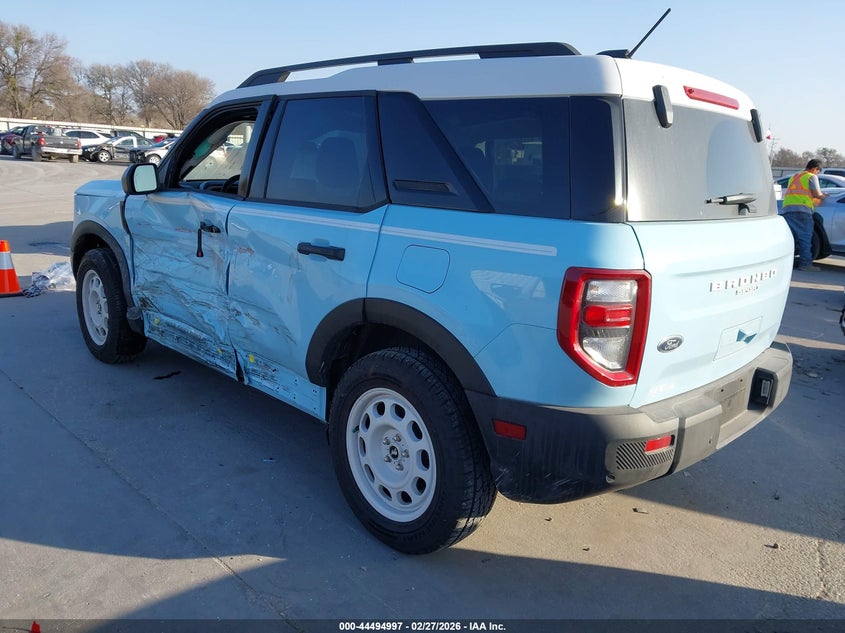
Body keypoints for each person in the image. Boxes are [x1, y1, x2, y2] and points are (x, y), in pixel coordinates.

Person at [781, 159, 827, 272]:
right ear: (814, 168)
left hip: (787, 210)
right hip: (802, 211)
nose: (817, 174)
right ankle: (805, 264)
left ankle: (782, 263)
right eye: (818, 171)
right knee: (805, 239)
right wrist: (823, 196)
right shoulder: (811, 176)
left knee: (790, 239)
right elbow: (816, 193)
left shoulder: (794, 176)